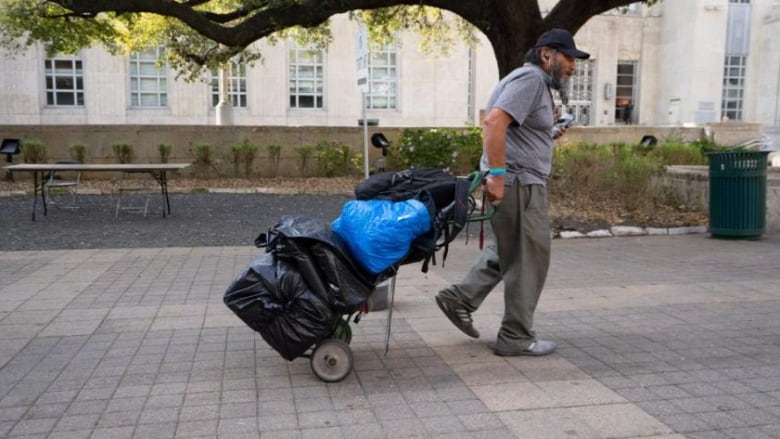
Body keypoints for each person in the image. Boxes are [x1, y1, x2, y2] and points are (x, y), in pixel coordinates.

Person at [435, 28, 590, 357]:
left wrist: (549, 133)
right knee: (530, 256)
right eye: (569, 58)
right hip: (520, 183)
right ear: (547, 54)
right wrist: (499, 176)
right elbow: (493, 123)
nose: (573, 66)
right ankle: (516, 336)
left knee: (509, 251)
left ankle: (458, 298)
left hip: (519, 181)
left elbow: (518, 132)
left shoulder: (532, 83)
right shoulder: (531, 80)